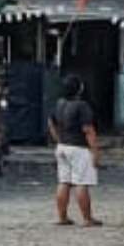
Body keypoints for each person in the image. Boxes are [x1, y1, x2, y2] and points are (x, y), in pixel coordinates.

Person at [47, 74, 102, 227]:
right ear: (79, 89)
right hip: (79, 148)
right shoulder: (82, 106)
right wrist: (95, 151)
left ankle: (62, 217)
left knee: (63, 181)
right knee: (81, 183)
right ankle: (87, 218)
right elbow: (88, 130)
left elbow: (51, 124)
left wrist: (59, 140)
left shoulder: (59, 104)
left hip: (62, 147)